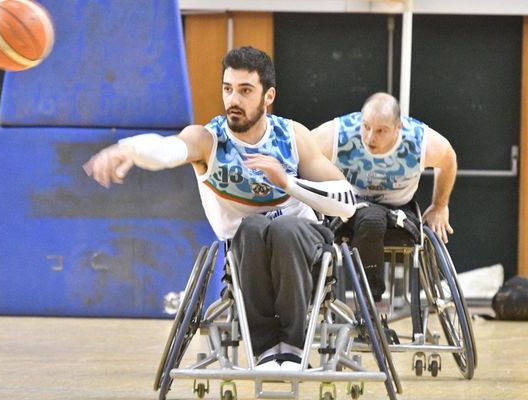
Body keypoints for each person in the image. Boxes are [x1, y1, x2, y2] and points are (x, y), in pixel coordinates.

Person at [83, 47, 356, 371]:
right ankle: (267, 349)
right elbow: (167, 150)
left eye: (245, 90)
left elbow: (347, 204)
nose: (233, 100)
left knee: (284, 228)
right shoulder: (208, 140)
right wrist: (127, 148)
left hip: (303, 245)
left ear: (268, 96)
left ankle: (294, 347)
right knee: (252, 226)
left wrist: (288, 183)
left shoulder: (293, 136)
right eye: (227, 89)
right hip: (245, 249)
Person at [312, 92, 457, 301]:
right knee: (371, 218)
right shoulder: (338, 133)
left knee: (374, 218)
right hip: (348, 204)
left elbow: (448, 159)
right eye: (366, 126)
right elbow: (301, 156)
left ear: (398, 128)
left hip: (398, 207)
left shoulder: (418, 141)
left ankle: (369, 300)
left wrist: (439, 206)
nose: (370, 137)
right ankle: (360, 298)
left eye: (381, 131)